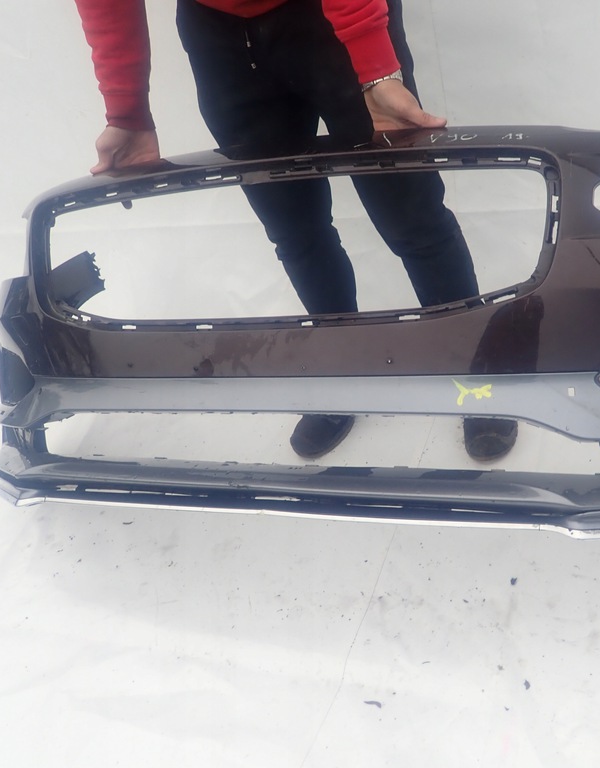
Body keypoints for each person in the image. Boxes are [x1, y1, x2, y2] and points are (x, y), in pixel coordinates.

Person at [74, 0, 517, 461]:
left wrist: (373, 64)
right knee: (294, 230)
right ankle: (340, 369)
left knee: (413, 215)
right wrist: (125, 110)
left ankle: (474, 373)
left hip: (332, 16)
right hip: (219, 34)